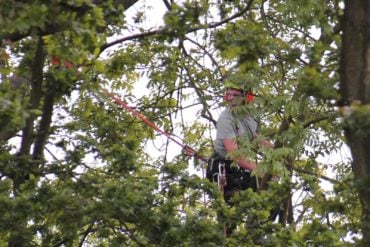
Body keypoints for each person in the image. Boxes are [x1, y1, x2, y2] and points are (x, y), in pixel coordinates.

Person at [206, 83, 274, 236]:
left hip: (241, 169)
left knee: (271, 198)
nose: (231, 99)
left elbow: (255, 137)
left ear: (246, 98)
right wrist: (260, 171)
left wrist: (276, 149)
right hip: (225, 168)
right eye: (228, 95)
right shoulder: (226, 117)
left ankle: (256, 235)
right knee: (229, 219)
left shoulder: (251, 115)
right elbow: (234, 154)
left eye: (235, 95)